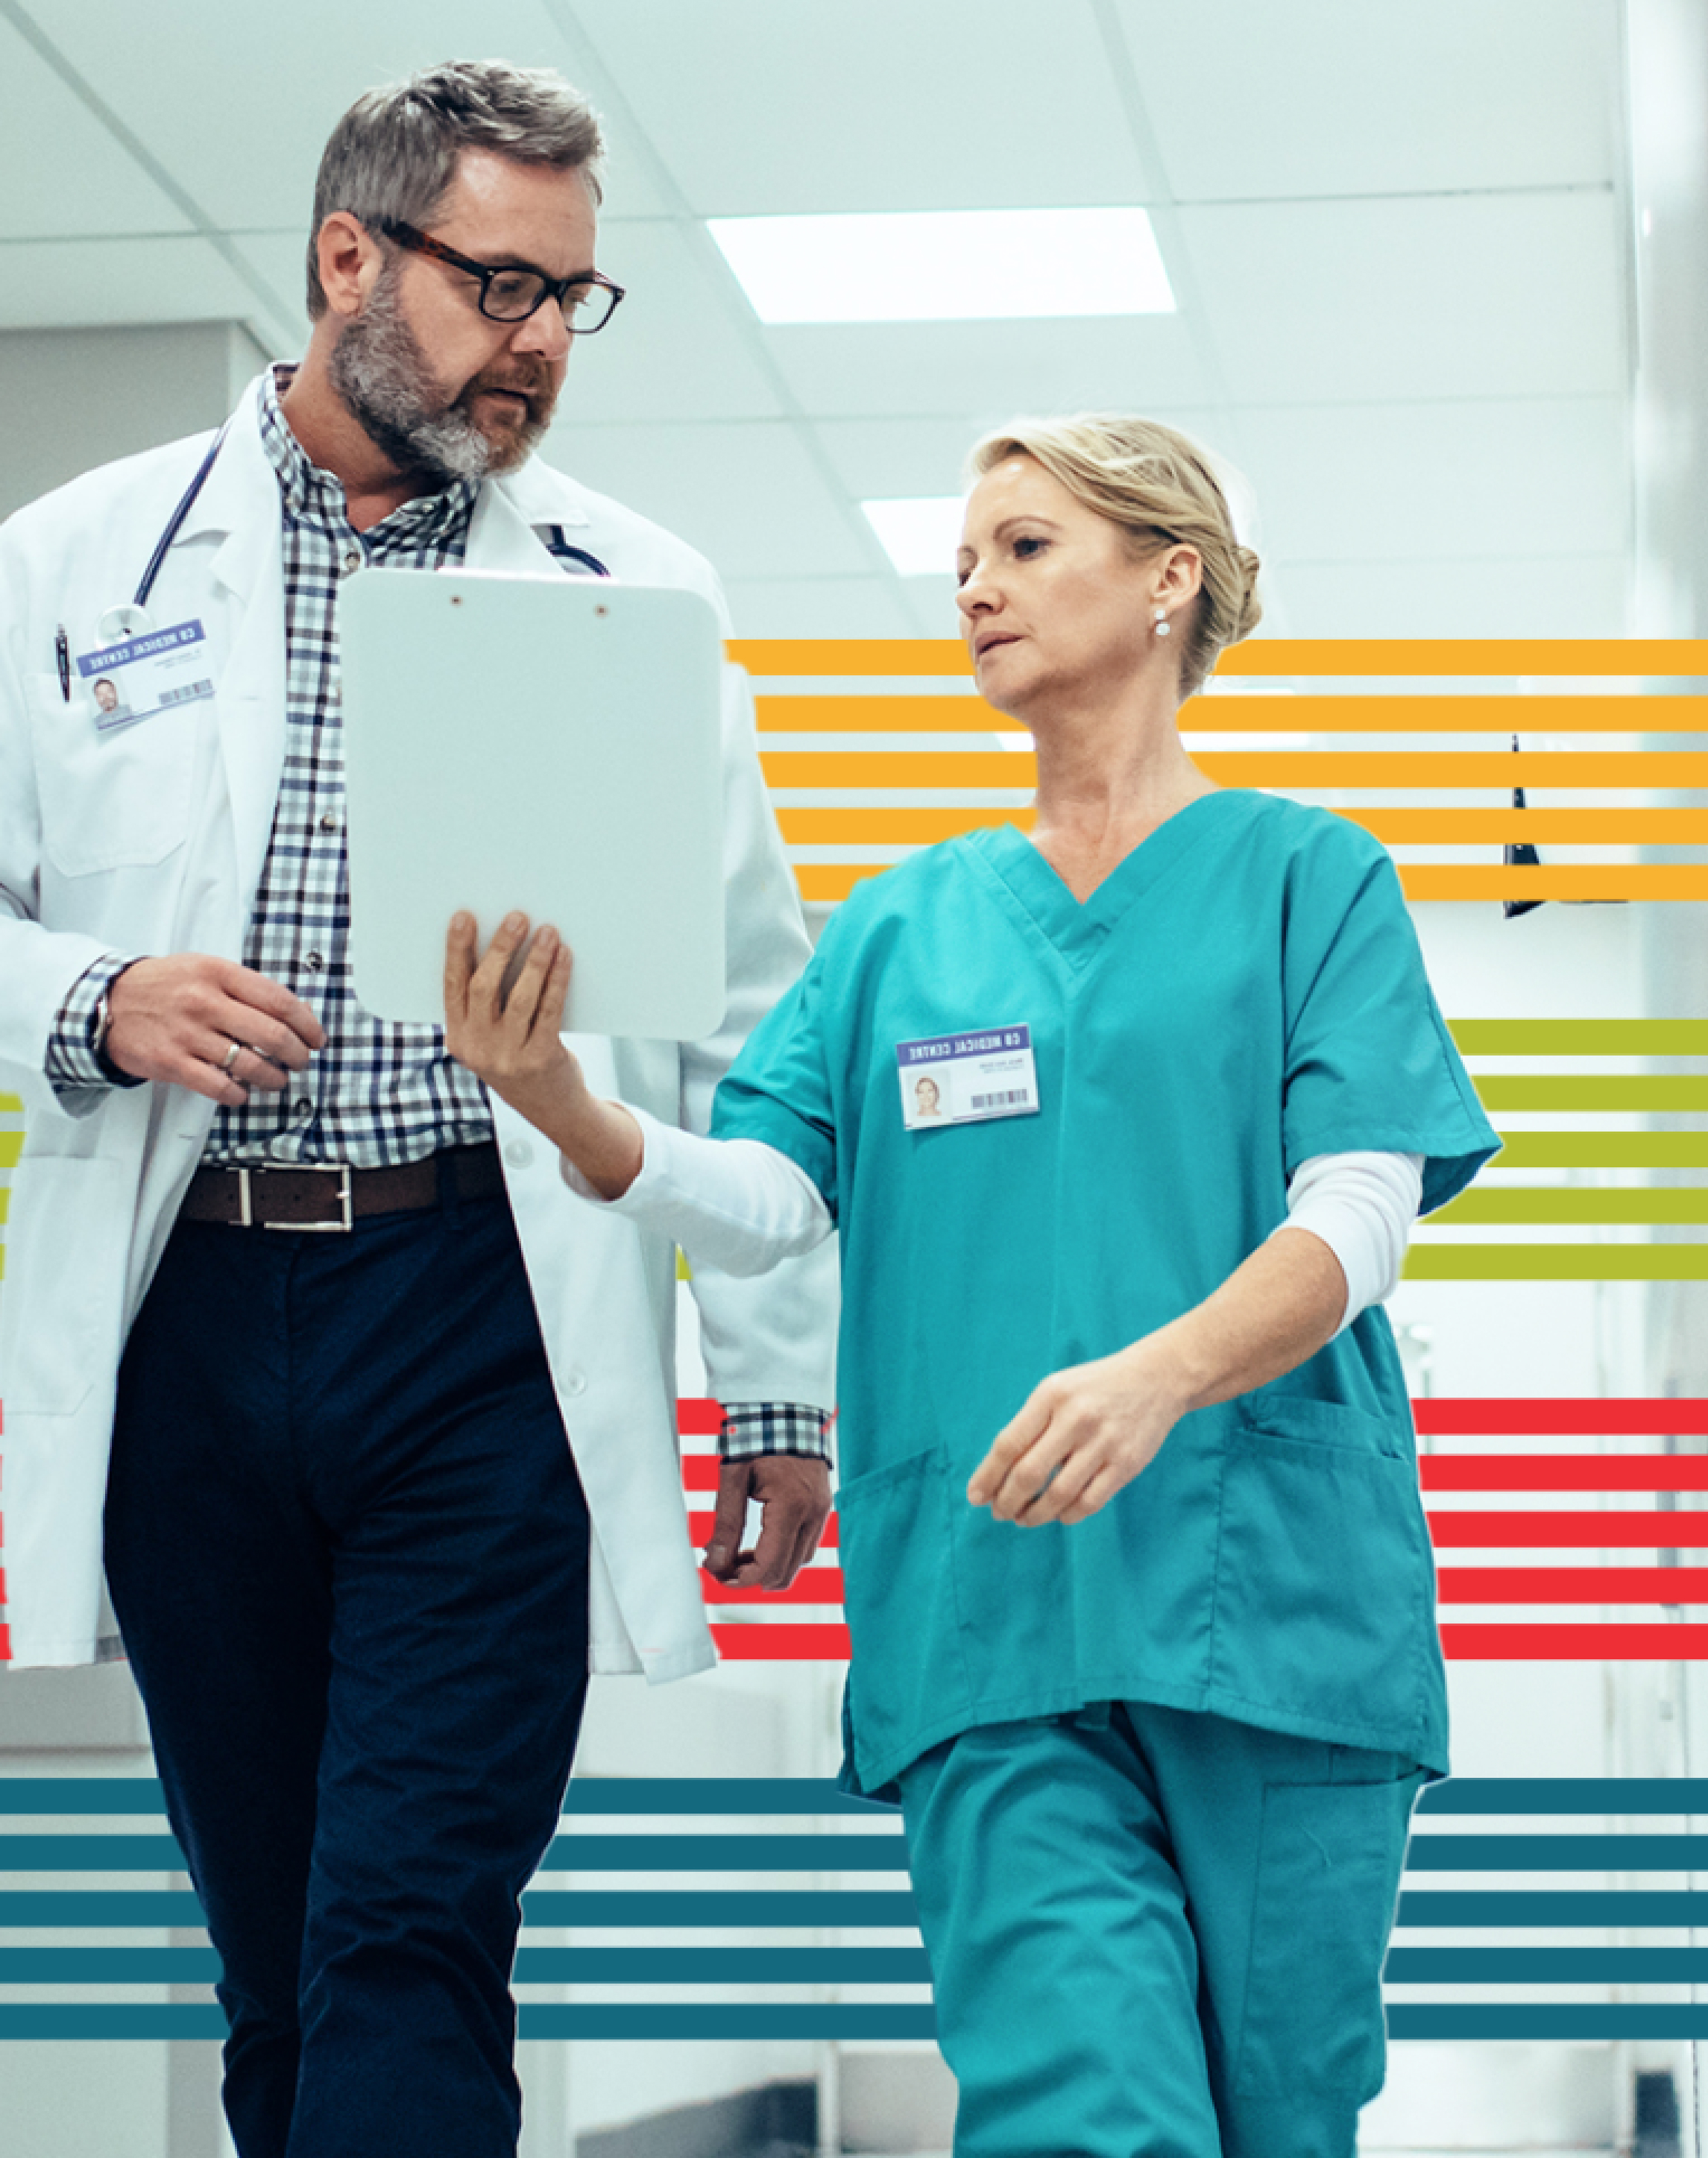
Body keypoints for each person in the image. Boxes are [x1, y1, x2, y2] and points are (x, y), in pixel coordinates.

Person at [446, 414, 1500, 2158]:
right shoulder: (896, 928)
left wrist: (1158, 1372)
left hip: (1279, 1605)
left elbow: (1360, 1210)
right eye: (960, 559)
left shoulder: (1312, 878)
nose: (971, 587)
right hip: (991, 1616)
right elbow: (772, 1191)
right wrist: (568, 1102)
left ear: (1169, 580)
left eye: (1021, 547)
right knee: (1083, 2115)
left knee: (1279, 2117)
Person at [0, 62, 836, 2158]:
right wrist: (99, 994)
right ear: (346, 258)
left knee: (408, 1919)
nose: (540, 340)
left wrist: (777, 1385)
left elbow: (751, 1024)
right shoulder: (71, 565)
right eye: (498, 284)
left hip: (480, 1312)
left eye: (572, 296)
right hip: (189, 1313)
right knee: (276, 1948)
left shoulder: (632, 592)